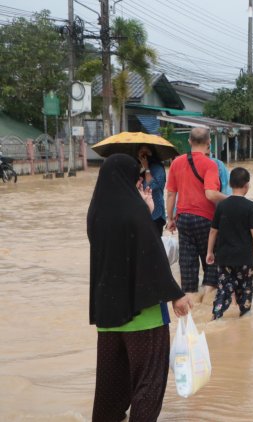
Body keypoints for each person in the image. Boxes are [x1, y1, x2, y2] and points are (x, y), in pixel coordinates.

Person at [88, 154, 192, 422]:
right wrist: (176, 294)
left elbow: (123, 251)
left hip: (108, 316)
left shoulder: (96, 213)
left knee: (110, 388)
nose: (140, 185)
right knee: (148, 383)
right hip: (143, 317)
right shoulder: (135, 212)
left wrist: (144, 212)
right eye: (137, 180)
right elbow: (152, 255)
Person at [166, 127, 227, 298]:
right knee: (212, 261)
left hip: (183, 220)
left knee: (188, 266)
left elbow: (171, 194)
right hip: (205, 220)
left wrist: (170, 219)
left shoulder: (176, 162)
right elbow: (211, 194)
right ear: (209, 142)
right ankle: (207, 301)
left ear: (189, 141)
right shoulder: (210, 164)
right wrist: (232, 200)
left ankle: (190, 306)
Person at [206, 167, 253, 319]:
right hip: (244, 258)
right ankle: (244, 317)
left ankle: (217, 315)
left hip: (224, 257)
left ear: (231, 184)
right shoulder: (250, 206)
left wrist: (209, 252)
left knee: (223, 289)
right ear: (247, 185)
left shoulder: (222, 205)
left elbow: (213, 231)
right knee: (245, 288)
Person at [136, 144, 167, 234]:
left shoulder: (158, 168)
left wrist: (146, 168)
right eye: (141, 152)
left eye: (146, 152)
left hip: (156, 214)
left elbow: (151, 186)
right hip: (141, 213)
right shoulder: (137, 168)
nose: (143, 155)